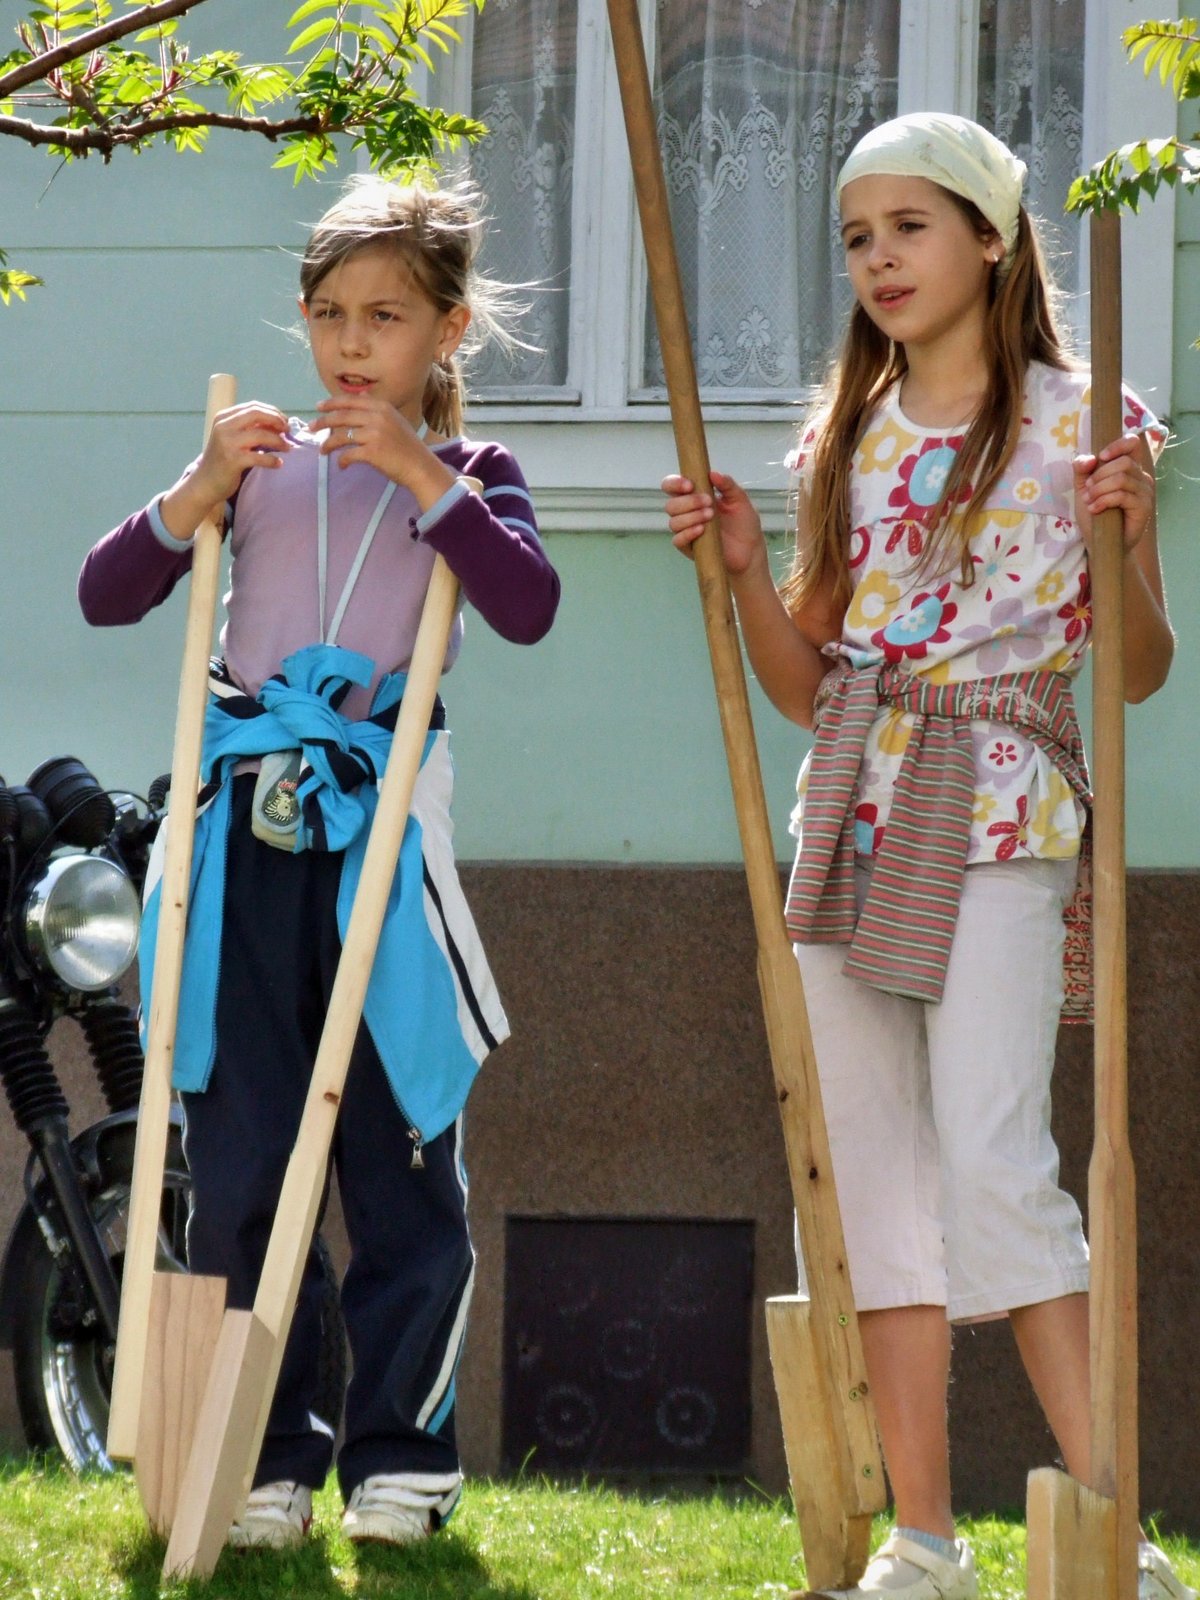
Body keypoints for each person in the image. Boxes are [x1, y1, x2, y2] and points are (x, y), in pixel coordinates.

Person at [662, 113, 1187, 1600]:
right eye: (855, 237)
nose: (878, 260)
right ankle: (925, 1539)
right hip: (853, 810)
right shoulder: (847, 436)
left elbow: (1139, 672)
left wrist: (1124, 536)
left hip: (1004, 811)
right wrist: (747, 578)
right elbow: (804, 682)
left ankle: (1113, 1532)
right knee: (870, 1181)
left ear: (992, 240)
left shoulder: (1088, 424)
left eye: (910, 227)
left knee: (997, 1163)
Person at [79, 176, 560, 1551]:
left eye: (386, 317)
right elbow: (108, 595)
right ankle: (263, 1452)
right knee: (239, 1157)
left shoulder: (473, 475)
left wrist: (420, 474)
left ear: (447, 330)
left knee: (396, 1151)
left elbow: (526, 605)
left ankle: (403, 1456)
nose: (352, 342)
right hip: (242, 840)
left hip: (381, 843)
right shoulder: (258, 462)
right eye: (330, 312)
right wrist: (196, 491)